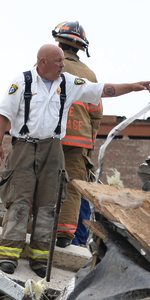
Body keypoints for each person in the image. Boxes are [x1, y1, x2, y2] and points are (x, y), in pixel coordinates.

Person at [0, 44, 150, 277]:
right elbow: (3, 115)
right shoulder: (22, 82)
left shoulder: (69, 83)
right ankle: (8, 255)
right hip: (24, 148)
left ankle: (40, 259)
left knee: (48, 205)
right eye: (57, 60)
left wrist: (133, 87)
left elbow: (104, 90)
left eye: (62, 60)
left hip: (53, 149)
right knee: (18, 201)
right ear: (42, 62)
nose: (62, 64)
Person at [52, 21, 103, 247]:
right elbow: (96, 112)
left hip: (51, 135)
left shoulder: (46, 64)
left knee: (43, 182)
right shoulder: (89, 74)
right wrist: (89, 142)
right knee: (72, 187)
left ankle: (38, 230)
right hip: (79, 138)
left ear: (58, 42)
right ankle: (65, 235)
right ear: (80, 48)